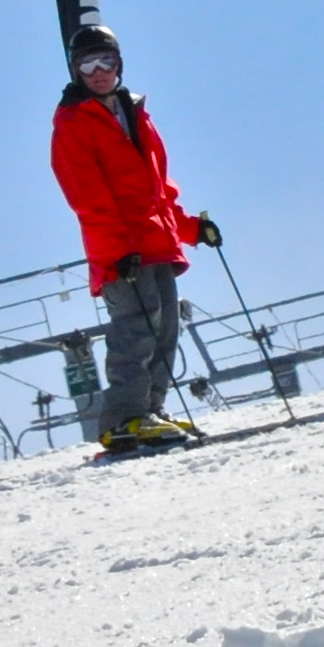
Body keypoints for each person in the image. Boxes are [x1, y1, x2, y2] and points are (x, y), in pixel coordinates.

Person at [49, 25, 220, 453]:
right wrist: (119, 250)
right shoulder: (73, 121)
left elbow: (155, 190)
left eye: (106, 60)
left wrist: (190, 229)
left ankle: (150, 410)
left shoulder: (135, 113)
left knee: (165, 329)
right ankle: (124, 418)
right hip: (121, 251)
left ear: (119, 63)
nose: (98, 71)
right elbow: (88, 197)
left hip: (157, 243)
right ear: (75, 71)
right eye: (88, 64)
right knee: (136, 329)